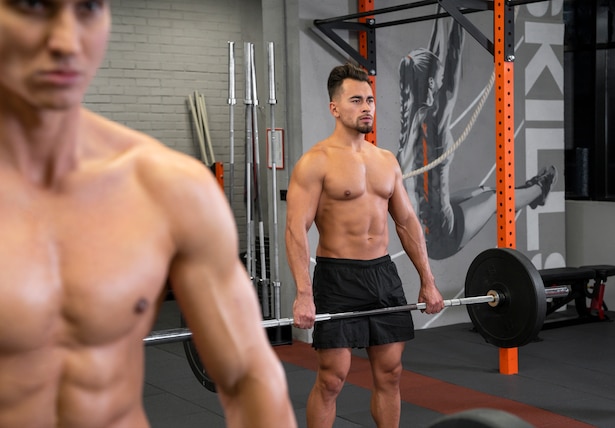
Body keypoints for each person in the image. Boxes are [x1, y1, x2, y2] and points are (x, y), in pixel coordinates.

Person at [0, 2, 296, 427]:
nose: (66, 40)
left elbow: (249, 376)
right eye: (32, 5)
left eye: (88, 8)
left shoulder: (165, 188)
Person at [286, 63, 445, 428]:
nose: (366, 107)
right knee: (332, 378)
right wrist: (304, 293)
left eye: (370, 99)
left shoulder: (385, 160)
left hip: (382, 274)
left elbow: (406, 222)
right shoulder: (315, 162)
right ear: (335, 108)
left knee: (390, 373)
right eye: (356, 100)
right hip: (338, 277)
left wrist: (428, 280)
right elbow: (296, 229)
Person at [397, 16, 557, 260]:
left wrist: (445, 12)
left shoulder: (407, 125)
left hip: (420, 228)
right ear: (431, 83)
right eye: (437, 82)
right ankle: (539, 189)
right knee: (495, 198)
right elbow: (449, 73)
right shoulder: (433, 124)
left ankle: (526, 189)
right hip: (442, 236)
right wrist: (457, 18)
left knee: (481, 190)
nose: (441, 86)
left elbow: (433, 58)